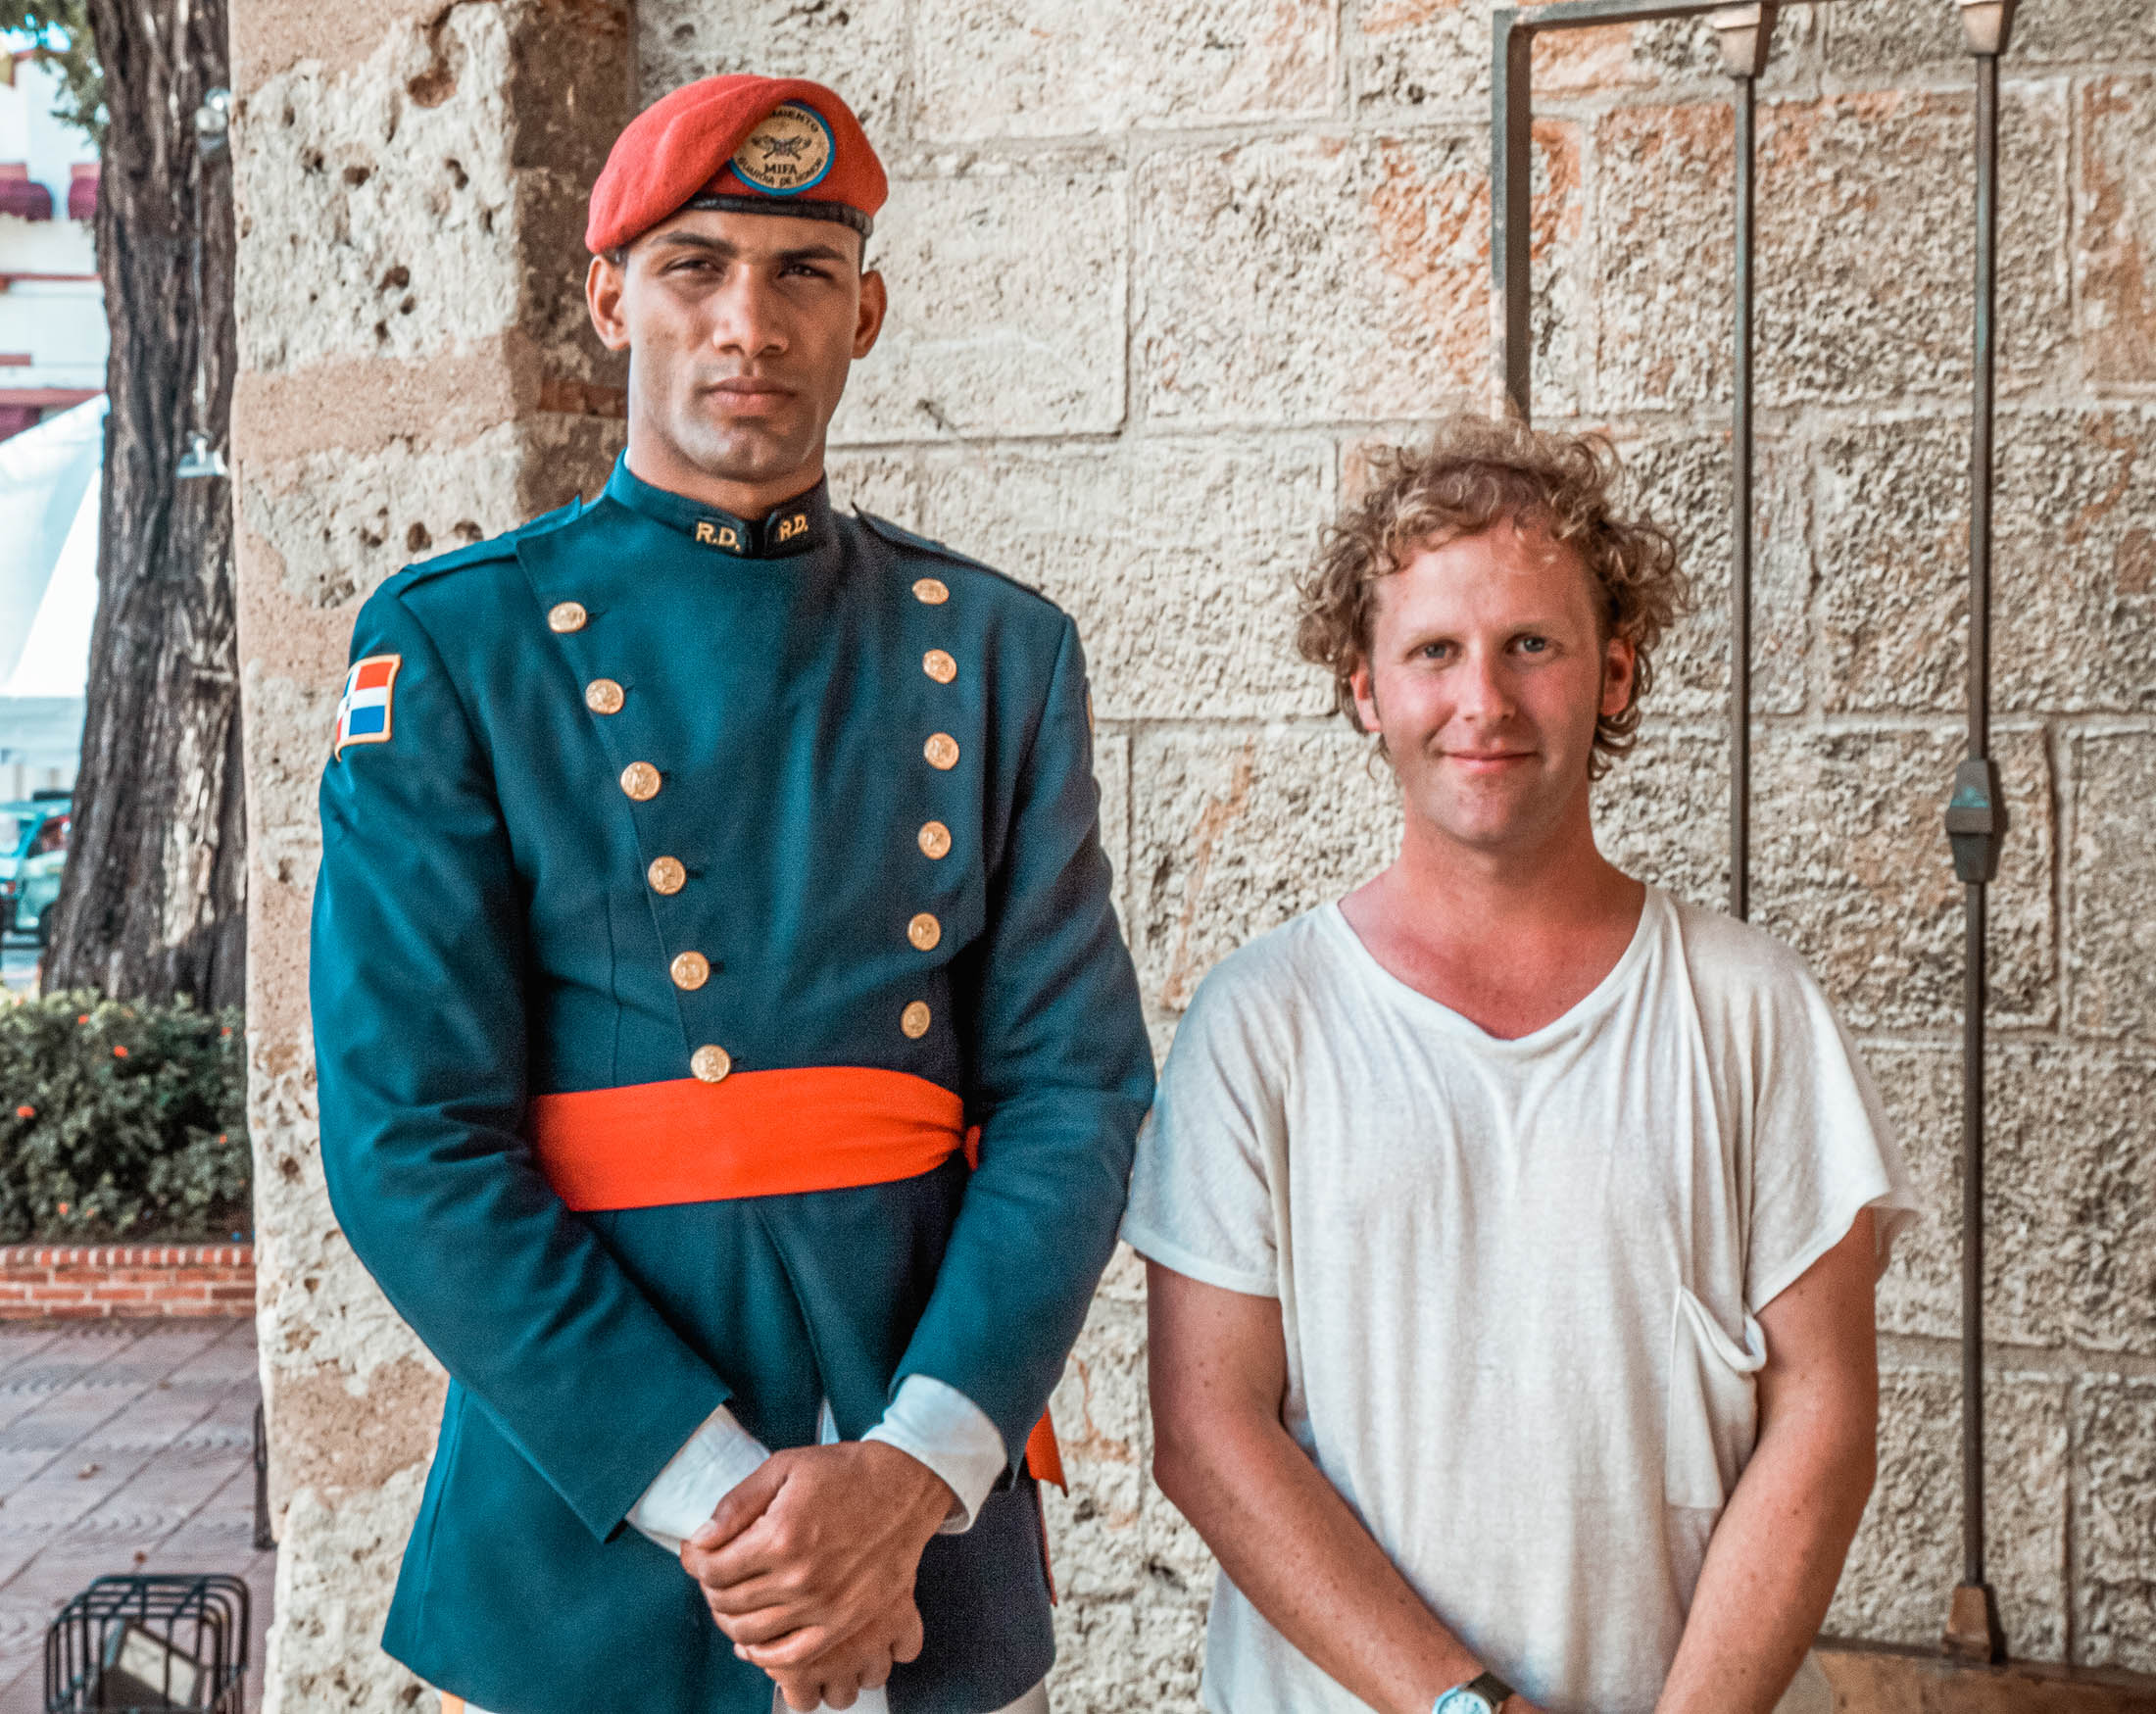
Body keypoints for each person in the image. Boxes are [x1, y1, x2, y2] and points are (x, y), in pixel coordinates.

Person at [310, 73, 1152, 1714]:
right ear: (611, 292)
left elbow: (1075, 1092)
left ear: (870, 313)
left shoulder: (995, 651)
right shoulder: (462, 644)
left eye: (802, 273)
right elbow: (405, 1136)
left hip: (921, 1510)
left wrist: (907, 1476)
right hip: (596, 1513)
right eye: (696, 266)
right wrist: (737, 1516)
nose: (747, 321)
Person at [1122, 416, 1918, 1714]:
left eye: (1531, 646)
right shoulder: (1261, 1020)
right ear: (1367, 687)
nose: (1482, 701)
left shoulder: (1748, 1005)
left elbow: (1822, 1413)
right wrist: (1463, 1706)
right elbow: (1211, 1433)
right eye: (1434, 651)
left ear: (1614, 674)